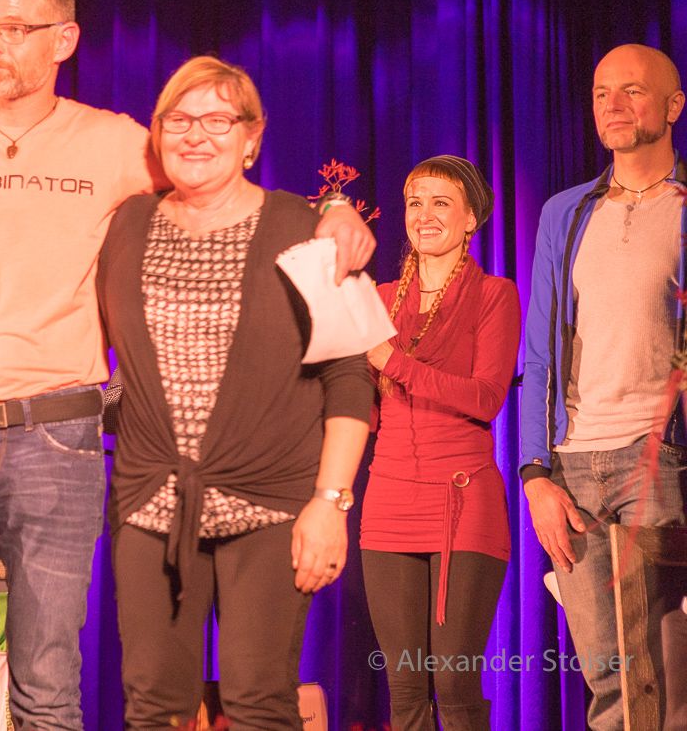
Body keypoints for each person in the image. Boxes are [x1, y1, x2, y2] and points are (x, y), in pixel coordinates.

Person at [0, 0, 375, 729]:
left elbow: (215, 174)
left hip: (58, 436)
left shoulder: (117, 142)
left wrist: (331, 210)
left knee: (48, 682)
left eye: (15, 28)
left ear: (65, 39)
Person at [95, 55, 373, 728]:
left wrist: (330, 503)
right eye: (179, 119)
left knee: (258, 701)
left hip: (271, 502)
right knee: (153, 706)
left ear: (252, 137)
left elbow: (348, 378)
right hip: (151, 502)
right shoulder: (127, 223)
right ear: (157, 134)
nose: (196, 134)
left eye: (218, 120)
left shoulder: (302, 228)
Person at [522, 43, 687, 731]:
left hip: (660, 461)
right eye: (600, 93)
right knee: (609, 682)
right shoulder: (565, 212)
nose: (612, 105)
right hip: (575, 468)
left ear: (673, 106)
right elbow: (538, 351)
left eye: (632, 91)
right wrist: (536, 473)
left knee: (666, 682)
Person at [360, 156, 520, 730]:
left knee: (453, 682)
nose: (424, 215)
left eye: (441, 203)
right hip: (389, 499)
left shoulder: (494, 294)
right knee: (404, 686)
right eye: (415, 203)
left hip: (462, 499)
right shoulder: (378, 298)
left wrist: (393, 362)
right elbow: (366, 411)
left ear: (471, 218)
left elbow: (486, 397)